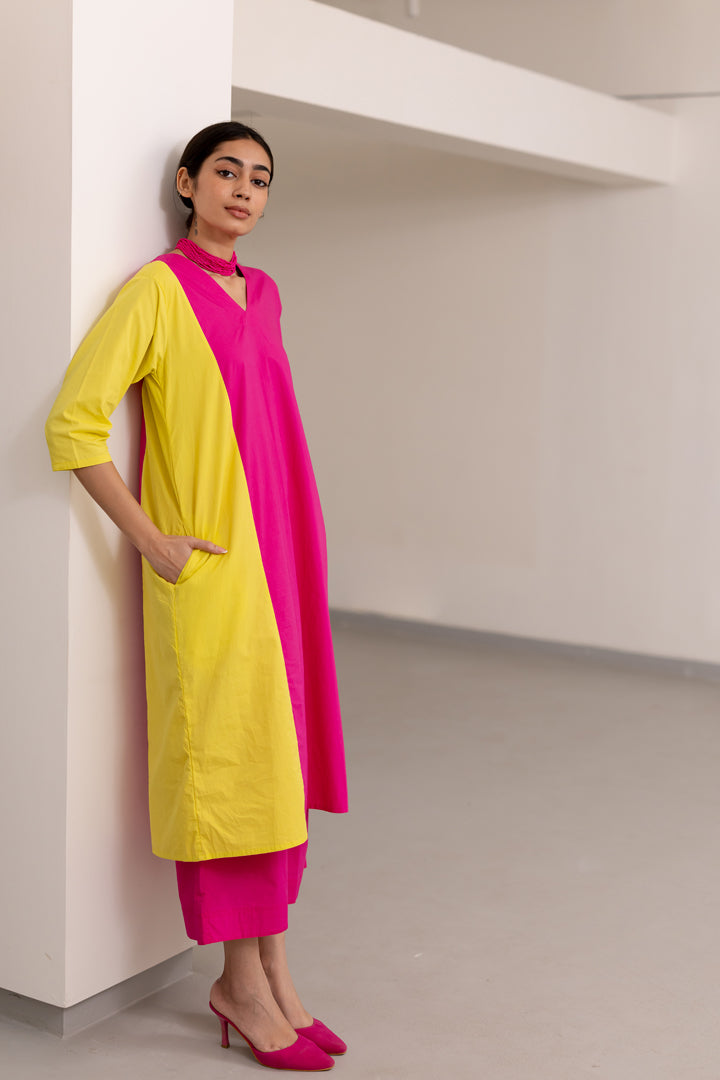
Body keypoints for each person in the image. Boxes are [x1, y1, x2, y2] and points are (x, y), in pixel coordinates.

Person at [45, 121, 348, 1072]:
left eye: (261, 178)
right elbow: (73, 425)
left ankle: (276, 973)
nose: (245, 190)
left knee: (277, 763)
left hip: (282, 561)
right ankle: (239, 984)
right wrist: (153, 543)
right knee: (228, 767)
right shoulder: (155, 291)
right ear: (187, 182)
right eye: (226, 171)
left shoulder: (266, 291)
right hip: (213, 569)